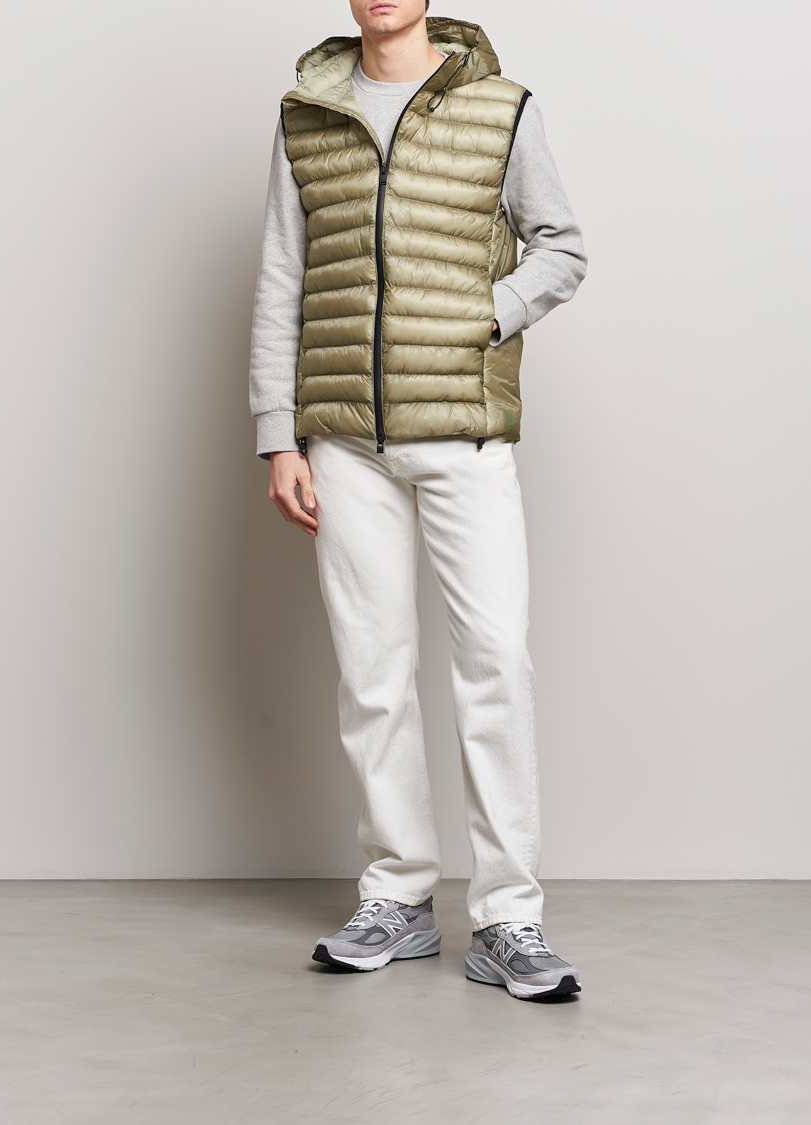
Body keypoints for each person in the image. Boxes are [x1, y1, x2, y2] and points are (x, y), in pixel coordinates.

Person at [248, 0, 587, 1001]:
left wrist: (486, 315)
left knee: (494, 662)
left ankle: (508, 915)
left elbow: (562, 247)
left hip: (464, 435)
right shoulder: (307, 113)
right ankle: (396, 896)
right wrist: (279, 434)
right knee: (373, 672)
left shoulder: (500, 105)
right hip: (343, 441)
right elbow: (282, 276)